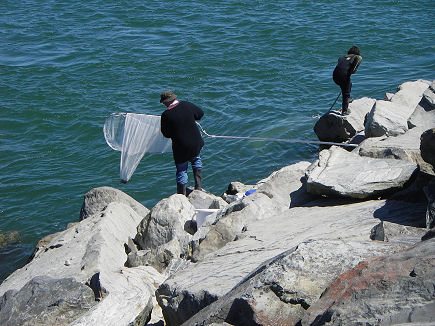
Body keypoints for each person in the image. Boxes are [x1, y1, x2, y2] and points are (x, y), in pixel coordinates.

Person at [160, 90, 204, 195]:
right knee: (196, 161)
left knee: (182, 170)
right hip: (195, 142)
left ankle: (181, 196)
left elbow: (166, 134)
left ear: (166, 102)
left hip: (181, 147)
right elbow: (200, 114)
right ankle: (198, 187)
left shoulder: (166, 115)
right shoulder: (186, 104)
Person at [333, 46, 362, 115]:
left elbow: (342, 66)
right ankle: (345, 110)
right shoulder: (357, 57)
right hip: (344, 76)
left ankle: (347, 99)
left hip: (335, 76)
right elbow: (353, 70)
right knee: (346, 92)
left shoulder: (342, 57)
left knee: (348, 85)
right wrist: (351, 72)